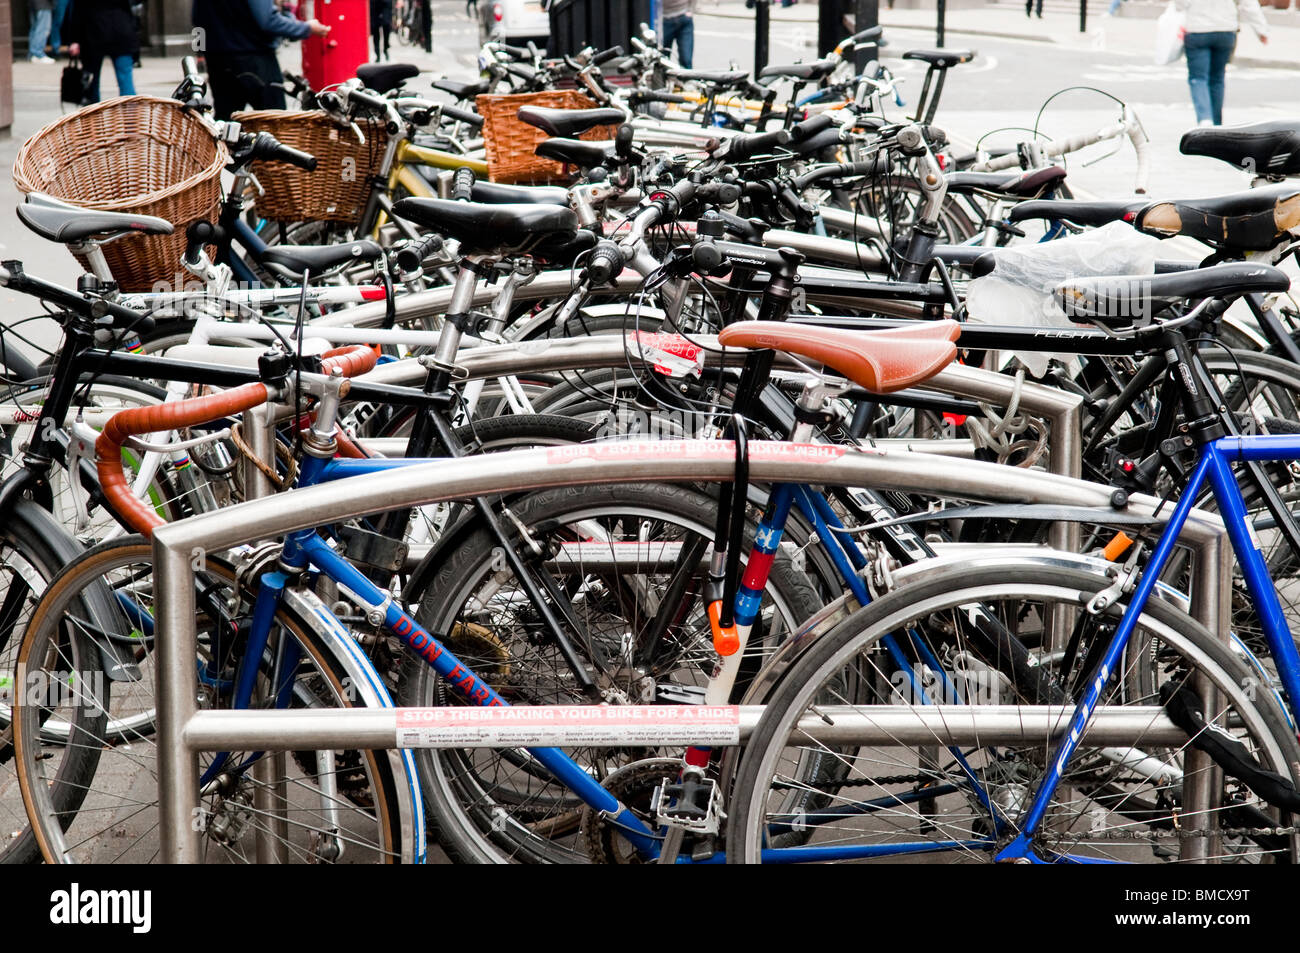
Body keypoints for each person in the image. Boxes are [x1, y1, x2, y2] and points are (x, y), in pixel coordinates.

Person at [192, 0, 331, 120]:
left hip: (218, 59)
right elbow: (268, 21)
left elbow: (197, 19)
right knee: (275, 122)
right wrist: (306, 28)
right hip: (256, 60)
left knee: (225, 123)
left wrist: (204, 52)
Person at [1176, 0, 1269, 126]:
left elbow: (1180, 4)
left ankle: (1205, 118)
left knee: (1198, 78)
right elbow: (1248, 3)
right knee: (1217, 78)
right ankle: (1216, 123)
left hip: (1197, 29)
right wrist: (1261, 29)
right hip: (1225, 29)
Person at [64, 0, 138, 100]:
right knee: (125, 80)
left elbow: (78, 11)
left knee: (92, 81)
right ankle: (131, 113)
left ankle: (94, 112)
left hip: (94, 32)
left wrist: (74, 40)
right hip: (120, 30)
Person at [662, 0, 694, 68]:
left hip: (683, 17)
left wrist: (690, 9)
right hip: (664, 19)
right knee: (663, 59)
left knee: (686, 60)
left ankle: (687, 77)